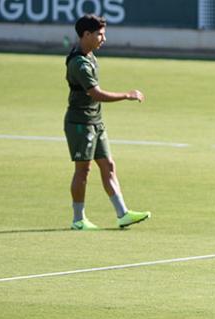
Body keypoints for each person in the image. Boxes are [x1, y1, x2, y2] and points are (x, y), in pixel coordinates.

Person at [64, 14, 150, 230]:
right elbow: (96, 94)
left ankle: (122, 214)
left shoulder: (90, 55)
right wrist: (126, 95)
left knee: (108, 165)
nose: (104, 39)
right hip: (80, 123)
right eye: (100, 34)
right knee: (83, 170)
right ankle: (78, 219)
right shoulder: (79, 63)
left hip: (95, 121)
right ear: (86, 35)